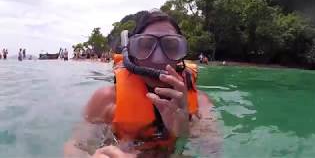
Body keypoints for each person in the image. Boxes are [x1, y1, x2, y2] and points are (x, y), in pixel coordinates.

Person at [64, 11, 221, 157]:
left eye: (171, 47)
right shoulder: (107, 99)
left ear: (180, 54)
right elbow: (76, 147)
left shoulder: (200, 103)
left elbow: (213, 151)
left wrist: (185, 129)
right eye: (145, 46)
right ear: (131, 52)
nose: (158, 59)